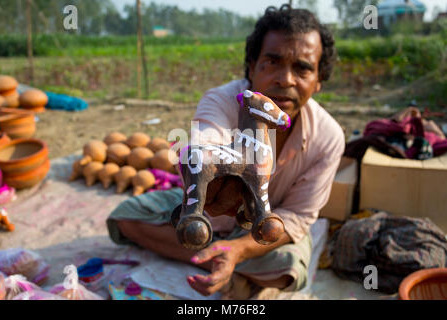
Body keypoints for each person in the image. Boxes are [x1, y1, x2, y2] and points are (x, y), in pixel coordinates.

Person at [106, 5, 344, 298]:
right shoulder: (221, 100)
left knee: (290, 267)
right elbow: (206, 145)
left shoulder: (328, 136)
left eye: (303, 68)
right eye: (272, 62)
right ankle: (220, 261)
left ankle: (219, 259)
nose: (286, 79)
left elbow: (297, 216)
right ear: (252, 67)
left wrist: (238, 250)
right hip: (210, 209)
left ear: (319, 80)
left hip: (266, 227)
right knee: (125, 217)